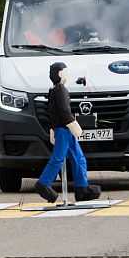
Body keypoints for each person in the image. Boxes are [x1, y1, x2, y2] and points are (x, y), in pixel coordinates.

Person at [34, 62, 101, 203]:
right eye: (65, 72)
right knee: (57, 159)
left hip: (63, 129)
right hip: (65, 129)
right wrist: (74, 125)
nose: (67, 75)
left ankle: (82, 189)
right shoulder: (60, 89)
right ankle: (43, 184)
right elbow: (64, 111)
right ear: (60, 74)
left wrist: (53, 129)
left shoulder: (53, 90)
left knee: (79, 158)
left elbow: (51, 111)